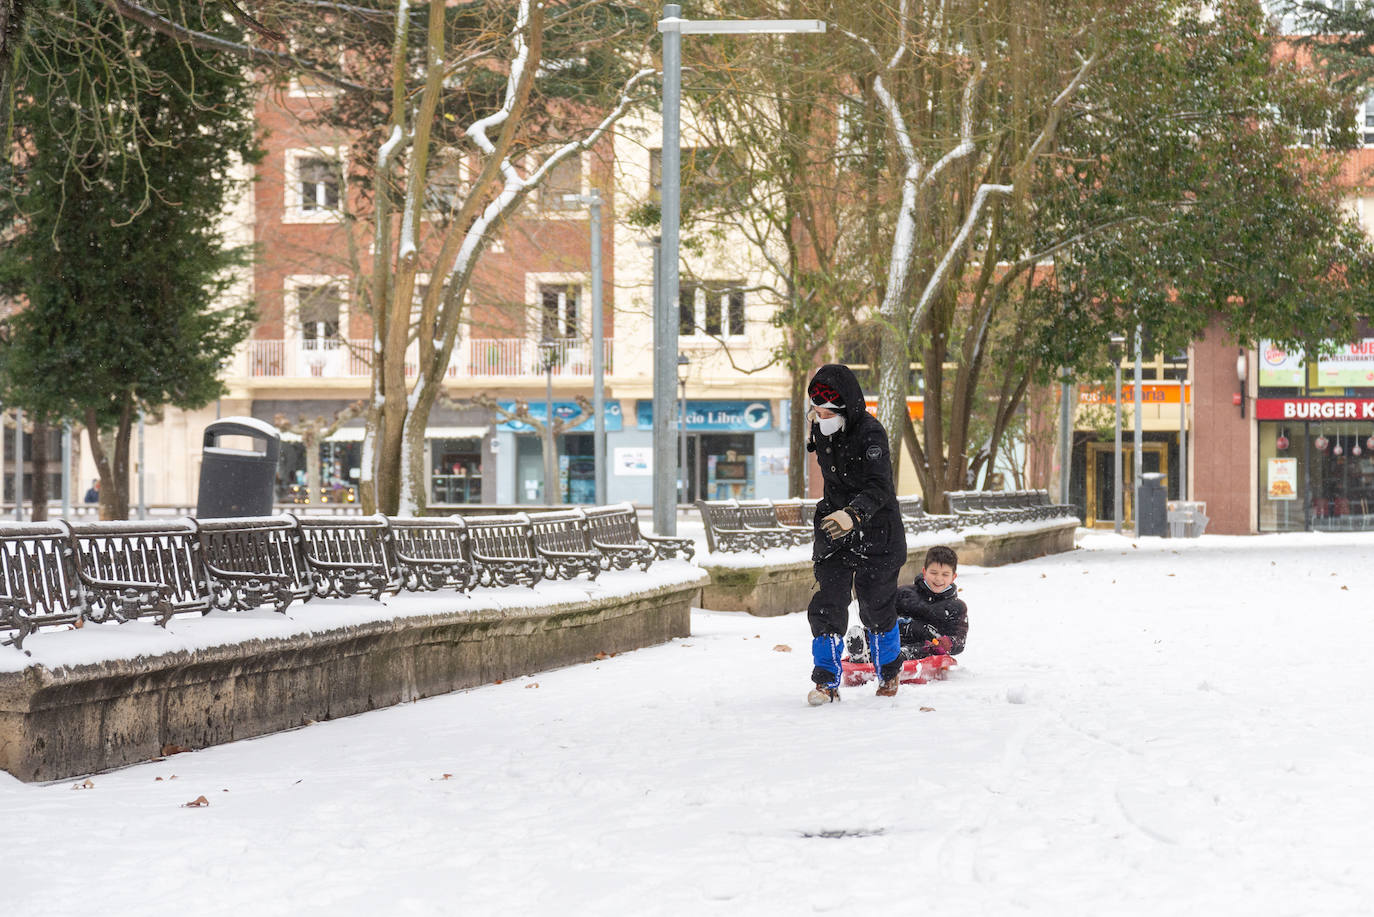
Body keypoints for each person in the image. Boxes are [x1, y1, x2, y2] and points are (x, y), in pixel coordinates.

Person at [804, 363, 907, 705]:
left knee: (876, 607)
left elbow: (880, 486)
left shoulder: (870, 434)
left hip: (877, 531)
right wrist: (838, 517)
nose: (820, 417)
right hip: (835, 527)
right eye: (816, 412)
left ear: (845, 407)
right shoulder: (821, 430)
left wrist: (855, 513)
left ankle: (889, 671)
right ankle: (826, 681)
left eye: (826, 412)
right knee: (827, 604)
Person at [894, 545, 968, 661]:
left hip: (926, 649)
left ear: (953, 577)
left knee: (924, 648)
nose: (938, 579)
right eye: (934, 573)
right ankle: (859, 646)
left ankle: (900, 657)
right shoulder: (904, 593)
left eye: (945, 574)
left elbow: (959, 638)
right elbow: (885, 617)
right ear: (924, 571)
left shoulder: (956, 607)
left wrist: (948, 643)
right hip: (894, 640)